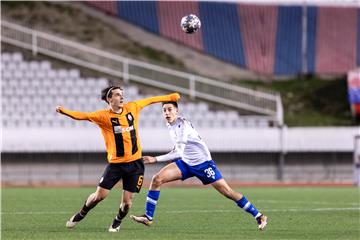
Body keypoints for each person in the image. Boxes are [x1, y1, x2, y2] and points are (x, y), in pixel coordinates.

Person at [56, 86, 180, 232]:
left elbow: (151, 100)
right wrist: (64, 111)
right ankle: (81, 213)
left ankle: (117, 221)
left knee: (127, 203)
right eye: (117, 95)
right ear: (109, 99)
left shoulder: (132, 107)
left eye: (122, 94)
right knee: (99, 196)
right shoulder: (103, 116)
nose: (121, 97)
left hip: (135, 165)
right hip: (116, 165)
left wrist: (170, 97)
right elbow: (83, 115)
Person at [130, 101, 268, 230]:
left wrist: (155, 159)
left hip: (203, 164)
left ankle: (259, 216)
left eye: (170, 109)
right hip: (186, 162)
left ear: (177, 111)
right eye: (164, 110)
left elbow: (179, 151)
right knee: (157, 179)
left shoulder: (183, 125)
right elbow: (178, 149)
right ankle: (148, 217)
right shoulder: (170, 125)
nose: (167, 112)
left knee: (228, 192)